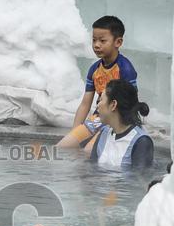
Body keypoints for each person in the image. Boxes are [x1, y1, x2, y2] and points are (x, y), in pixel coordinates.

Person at [57, 15, 138, 150]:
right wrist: (75, 131)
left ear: (118, 42)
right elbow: (85, 104)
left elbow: (132, 103)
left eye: (102, 40)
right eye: (94, 40)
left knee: (89, 151)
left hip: (117, 121)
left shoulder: (125, 69)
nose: (96, 45)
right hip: (99, 119)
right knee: (63, 147)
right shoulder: (94, 70)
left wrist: (123, 129)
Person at [89, 78, 153, 168]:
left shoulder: (141, 142)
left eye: (101, 100)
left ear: (113, 105)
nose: (97, 105)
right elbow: (91, 170)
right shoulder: (103, 134)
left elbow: (140, 180)